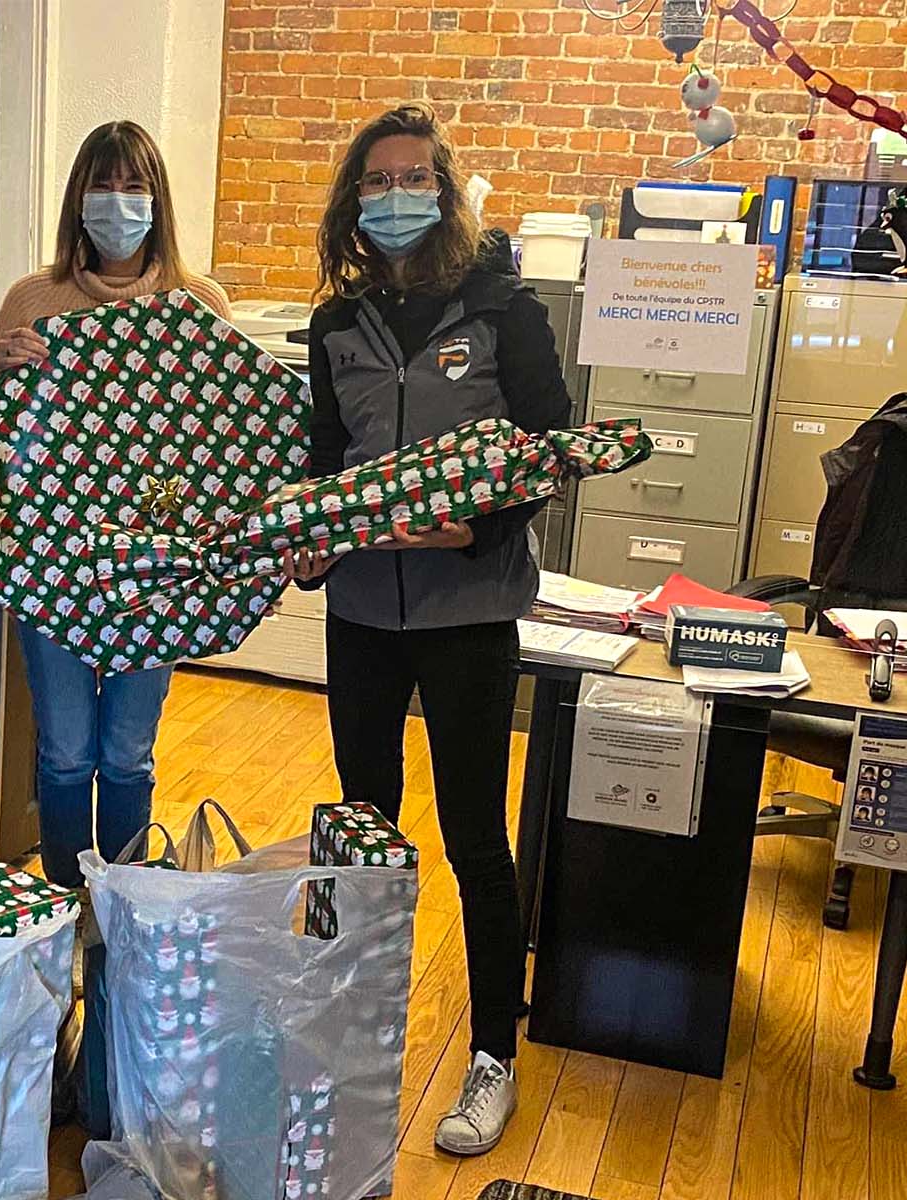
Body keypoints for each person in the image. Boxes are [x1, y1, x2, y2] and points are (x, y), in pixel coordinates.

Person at [285, 103, 570, 1156]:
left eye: (413, 178)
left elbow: (549, 453)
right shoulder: (333, 326)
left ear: (445, 194)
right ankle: (337, 1041)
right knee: (357, 831)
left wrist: (479, 526)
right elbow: (321, 466)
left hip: (468, 612)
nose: (394, 195)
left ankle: (492, 1053)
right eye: (375, 180)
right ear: (353, 203)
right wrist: (307, 541)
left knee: (471, 840)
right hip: (361, 611)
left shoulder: (505, 312)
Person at [0, 121, 232, 889]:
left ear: (158, 200)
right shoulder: (31, 299)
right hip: (52, 564)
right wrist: (5, 377)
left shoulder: (197, 302)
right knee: (63, 752)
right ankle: (61, 905)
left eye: (133, 185)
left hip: (154, 567)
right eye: (103, 185)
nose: (117, 202)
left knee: (125, 753)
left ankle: (121, 908)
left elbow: (223, 448)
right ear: (76, 198)